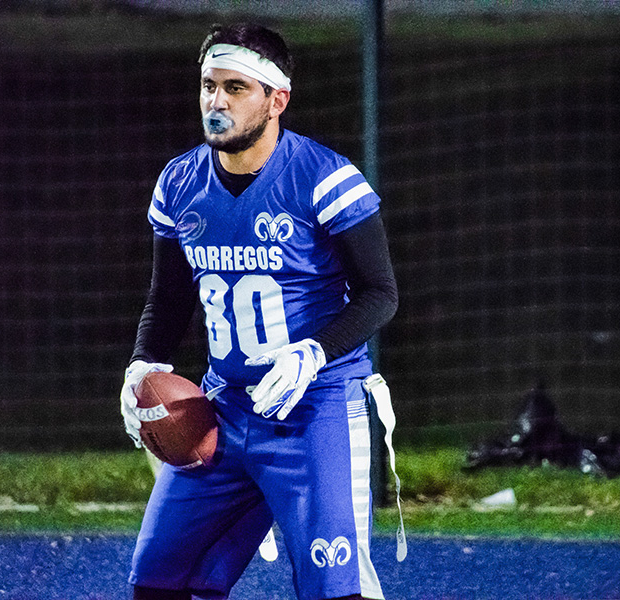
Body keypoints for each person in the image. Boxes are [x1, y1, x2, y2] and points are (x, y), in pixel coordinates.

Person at [119, 22, 401, 600]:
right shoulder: (179, 182)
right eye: (207, 85)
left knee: (335, 589)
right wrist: (144, 363)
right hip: (221, 410)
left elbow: (380, 294)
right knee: (157, 580)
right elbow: (169, 298)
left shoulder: (324, 178)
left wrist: (313, 351)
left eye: (235, 88)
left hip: (314, 409)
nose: (216, 102)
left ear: (278, 99)